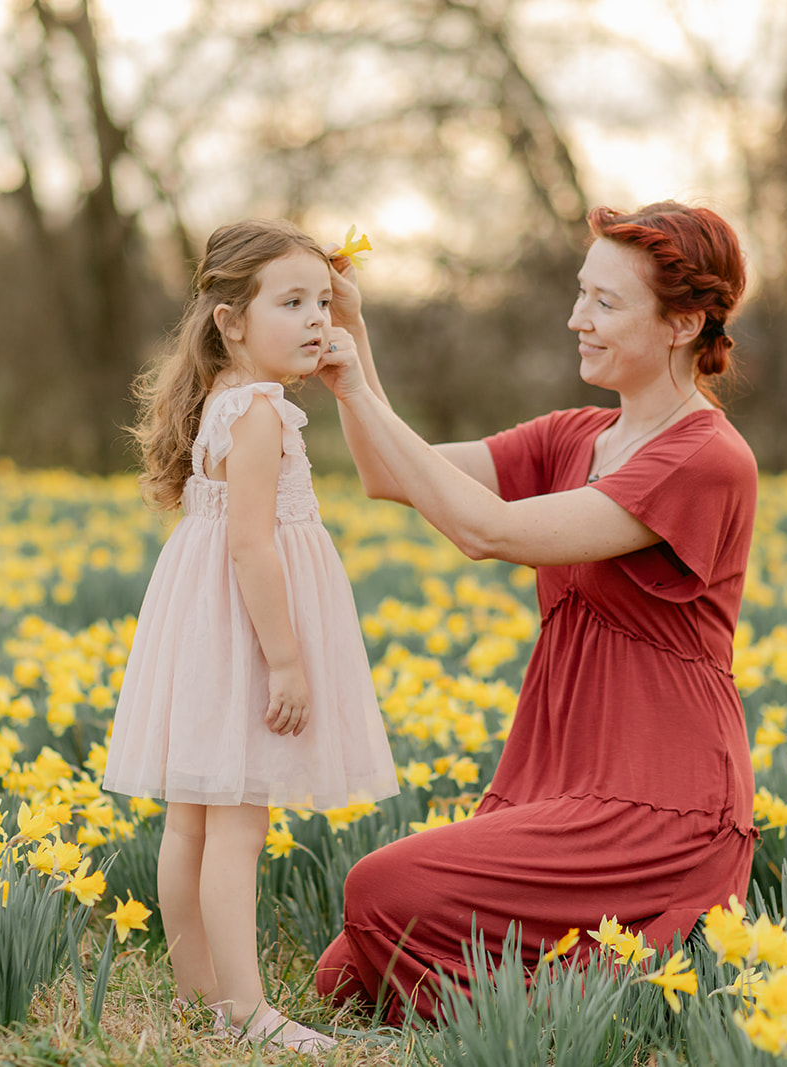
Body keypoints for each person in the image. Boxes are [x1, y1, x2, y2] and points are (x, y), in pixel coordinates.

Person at [309, 201, 758, 1024]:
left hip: (660, 802)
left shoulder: (705, 457)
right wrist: (355, 339)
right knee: (346, 967)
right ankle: (569, 997)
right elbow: (388, 474)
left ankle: (575, 1015)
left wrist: (352, 387)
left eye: (605, 302)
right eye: (581, 293)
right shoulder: (575, 436)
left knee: (378, 893)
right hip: (558, 778)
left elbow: (490, 532)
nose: (575, 318)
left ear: (684, 323)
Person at [101, 217, 398, 1052]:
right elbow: (252, 544)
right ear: (233, 320)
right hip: (246, 631)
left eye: (324, 302)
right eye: (292, 302)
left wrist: (353, 321)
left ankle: (198, 994)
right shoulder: (262, 414)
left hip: (207, 619)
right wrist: (287, 662)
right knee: (236, 820)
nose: (316, 319)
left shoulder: (225, 401)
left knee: (191, 817)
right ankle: (247, 1008)